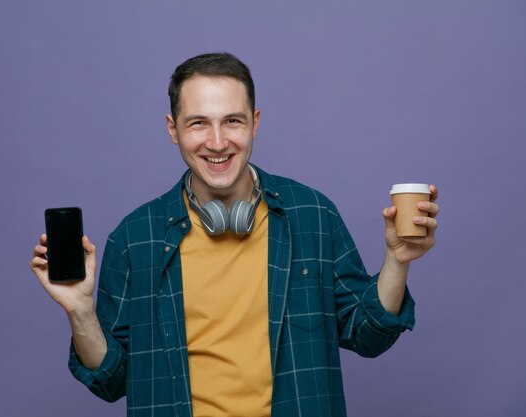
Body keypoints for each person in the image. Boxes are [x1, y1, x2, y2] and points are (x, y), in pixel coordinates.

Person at [30, 52, 440, 417]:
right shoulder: (135, 238)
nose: (217, 141)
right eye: (198, 123)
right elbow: (111, 382)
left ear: (255, 122)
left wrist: (397, 260)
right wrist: (80, 311)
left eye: (232, 121)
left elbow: (368, 337)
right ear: (173, 129)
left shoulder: (312, 214)